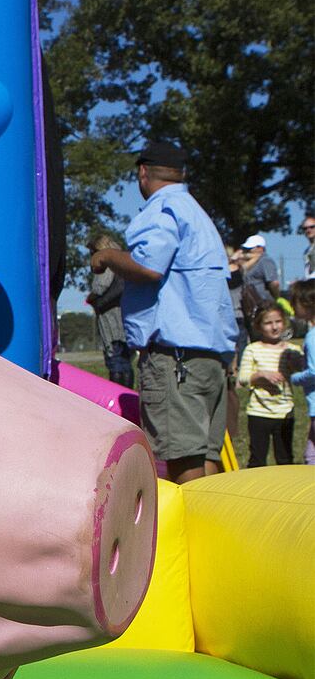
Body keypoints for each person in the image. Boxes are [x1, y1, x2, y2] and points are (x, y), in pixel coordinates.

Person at [89, 141, 236, 484]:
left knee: (182, 456)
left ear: (143, 173)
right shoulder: (197, 214)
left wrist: (107, 257)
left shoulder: (162, 209)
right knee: (206, 455)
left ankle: (194, 520)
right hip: (211, 356)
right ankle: (209, 516)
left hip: (175, 359)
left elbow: (148, 266)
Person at [237, 303, 298, 467]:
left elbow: (302, 371)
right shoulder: (252, 349)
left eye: (278, 321)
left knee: (285, 458)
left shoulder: (291, 349)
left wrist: (295, 364)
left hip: (285, 412)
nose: (274, 327)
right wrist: (261, 375)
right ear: (258, 326)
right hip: (259, 412)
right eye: (268, 323)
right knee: (257, 459)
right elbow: (243, 378)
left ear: (284, 322)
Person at [85, 232, 133, 388]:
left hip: (110, 318)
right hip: (124, 316)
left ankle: (117, 394)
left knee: (115, 360)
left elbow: (100, 287)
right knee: (125, 361)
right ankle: (128, 394)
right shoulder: (123, 260)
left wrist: (91, 297)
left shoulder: (107, 262)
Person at [285, 279, 315, 464]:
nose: (292, 306)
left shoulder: (312, 337)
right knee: (310, 454)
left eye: (294, 302)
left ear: (307, 303)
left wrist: (294, 377)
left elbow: (314, 371)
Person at [239, 233, 280, 333]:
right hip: (251, 305)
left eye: (250, 248)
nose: (247, 251)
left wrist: (276, 298)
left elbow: (274, 283)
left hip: (264, 303)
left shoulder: (266, 261)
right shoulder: (250, 262)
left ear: (260, 248)